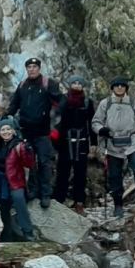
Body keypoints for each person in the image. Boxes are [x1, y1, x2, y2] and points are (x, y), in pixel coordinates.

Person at [92, 77, 135, 219]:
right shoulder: (105, 103)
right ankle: (118, 204)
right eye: (116, 85)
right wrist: (101, 130)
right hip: (112, 143)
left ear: (126, 88)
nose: (119, 87)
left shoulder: (133, 103)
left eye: (122, 85)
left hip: (132, 141)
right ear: (112, 88)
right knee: (114, 175)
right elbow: (96, 122)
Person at [6, 57, 62, 208]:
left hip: (43, 132)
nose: (32, 69)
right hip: (26, 132)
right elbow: (14, 105)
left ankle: (45, 194)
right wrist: (5, 118)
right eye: (29, 67)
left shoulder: (48, 83)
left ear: (39, 68)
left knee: (44, 162)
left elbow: (61, 101)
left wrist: (57, 120)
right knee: (29, 163)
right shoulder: (23, 85)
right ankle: (33, 191)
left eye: (34, 66)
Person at [0, 117, 37, 242]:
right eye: (3, 130)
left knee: (19, 201)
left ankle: (28, 232)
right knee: (3, 209)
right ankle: (6, 236)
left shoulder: (19, 146)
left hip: (15, 181)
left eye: (8, 129)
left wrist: (28, 151)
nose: (6, 132)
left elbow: (29, 163)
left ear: (13, 131)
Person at [52, 76, 95, 214]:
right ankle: (58, 200)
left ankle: (79, 202)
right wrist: (55, 141)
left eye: (79, 83)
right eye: (74, 83)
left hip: (82, 141)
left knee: (80, 173)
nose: (76, 85)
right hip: (64, 141)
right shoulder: (63, 100)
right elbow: (56, 119)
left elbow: (91, 123)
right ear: (70, 85)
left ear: (83, 86)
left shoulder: (87, 102)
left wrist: (93, 143)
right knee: (62, 172)